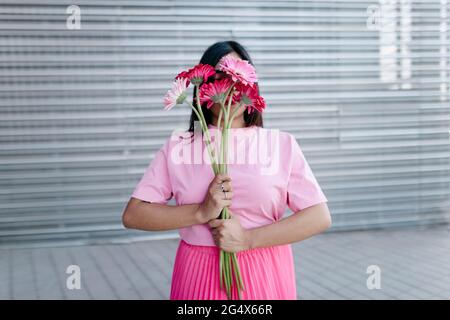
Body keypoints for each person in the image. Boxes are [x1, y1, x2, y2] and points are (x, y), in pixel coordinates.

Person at [122, 40, 332, 300]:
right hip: (198, 273)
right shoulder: (180, 146)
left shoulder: (280, 144)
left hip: (265, 273)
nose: (231, 89)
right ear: (203, 88)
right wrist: (200, 212)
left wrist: (247, 239)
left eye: (239, 78)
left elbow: (319, 216)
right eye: (220, 78)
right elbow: (134, 215)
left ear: (251, 86)